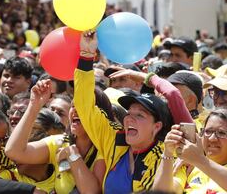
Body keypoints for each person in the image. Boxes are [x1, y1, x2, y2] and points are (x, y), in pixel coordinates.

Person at [74, 31, 180, 193]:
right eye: (129, 113)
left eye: (140, 115)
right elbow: (84, 106)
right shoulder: (115, 139)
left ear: (157, 126)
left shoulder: (166, 156)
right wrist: (86, 55)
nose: (129, 119)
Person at [5, 79, 107, 194]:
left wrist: (73, 155)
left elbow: (91, 192)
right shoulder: (59, 142)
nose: (76, 111)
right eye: (73, 106)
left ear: (100, 113)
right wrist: (34, 105)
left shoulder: (104, 147)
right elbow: (13, 151)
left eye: (84, 106)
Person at [153, 108, 227, 194]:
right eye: (208, 131)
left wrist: (199, 159)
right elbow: (162, 192)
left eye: (222, 133)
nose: (212, 138)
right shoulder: (188, 166)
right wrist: (168, 152)